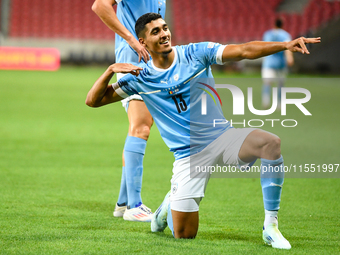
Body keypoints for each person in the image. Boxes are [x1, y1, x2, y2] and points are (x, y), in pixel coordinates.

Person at [86, 13, 320, 249]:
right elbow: (93, 101)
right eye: (155, 31)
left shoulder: (195, 53)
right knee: (184, 235)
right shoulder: (141, 77)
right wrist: (109, 71)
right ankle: (168, 204)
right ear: (143, 41)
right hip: (188, 157)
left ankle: (271, 227)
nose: (164, 34)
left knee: (270, 143)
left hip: (223, 138)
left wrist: (285, 45)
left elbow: (244, 51)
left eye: (164, 28)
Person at [91, 0, 166, 222]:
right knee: (140, 127)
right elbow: (100, 5)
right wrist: (131, 40)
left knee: (143, 126)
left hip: (150, 66)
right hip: (132, 65)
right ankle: (135, 206)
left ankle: (123, 203)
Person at [262, 18, 294, 109]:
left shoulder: (267, 34)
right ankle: (279, 103)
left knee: (267, 83)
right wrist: (290, 58)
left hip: (268, 63)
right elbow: (288, 49)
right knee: (280, 84)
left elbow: (263, 48)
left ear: (274, 24)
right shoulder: (286, 35)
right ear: (282, 25)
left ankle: (266, 101)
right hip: (281, 64)